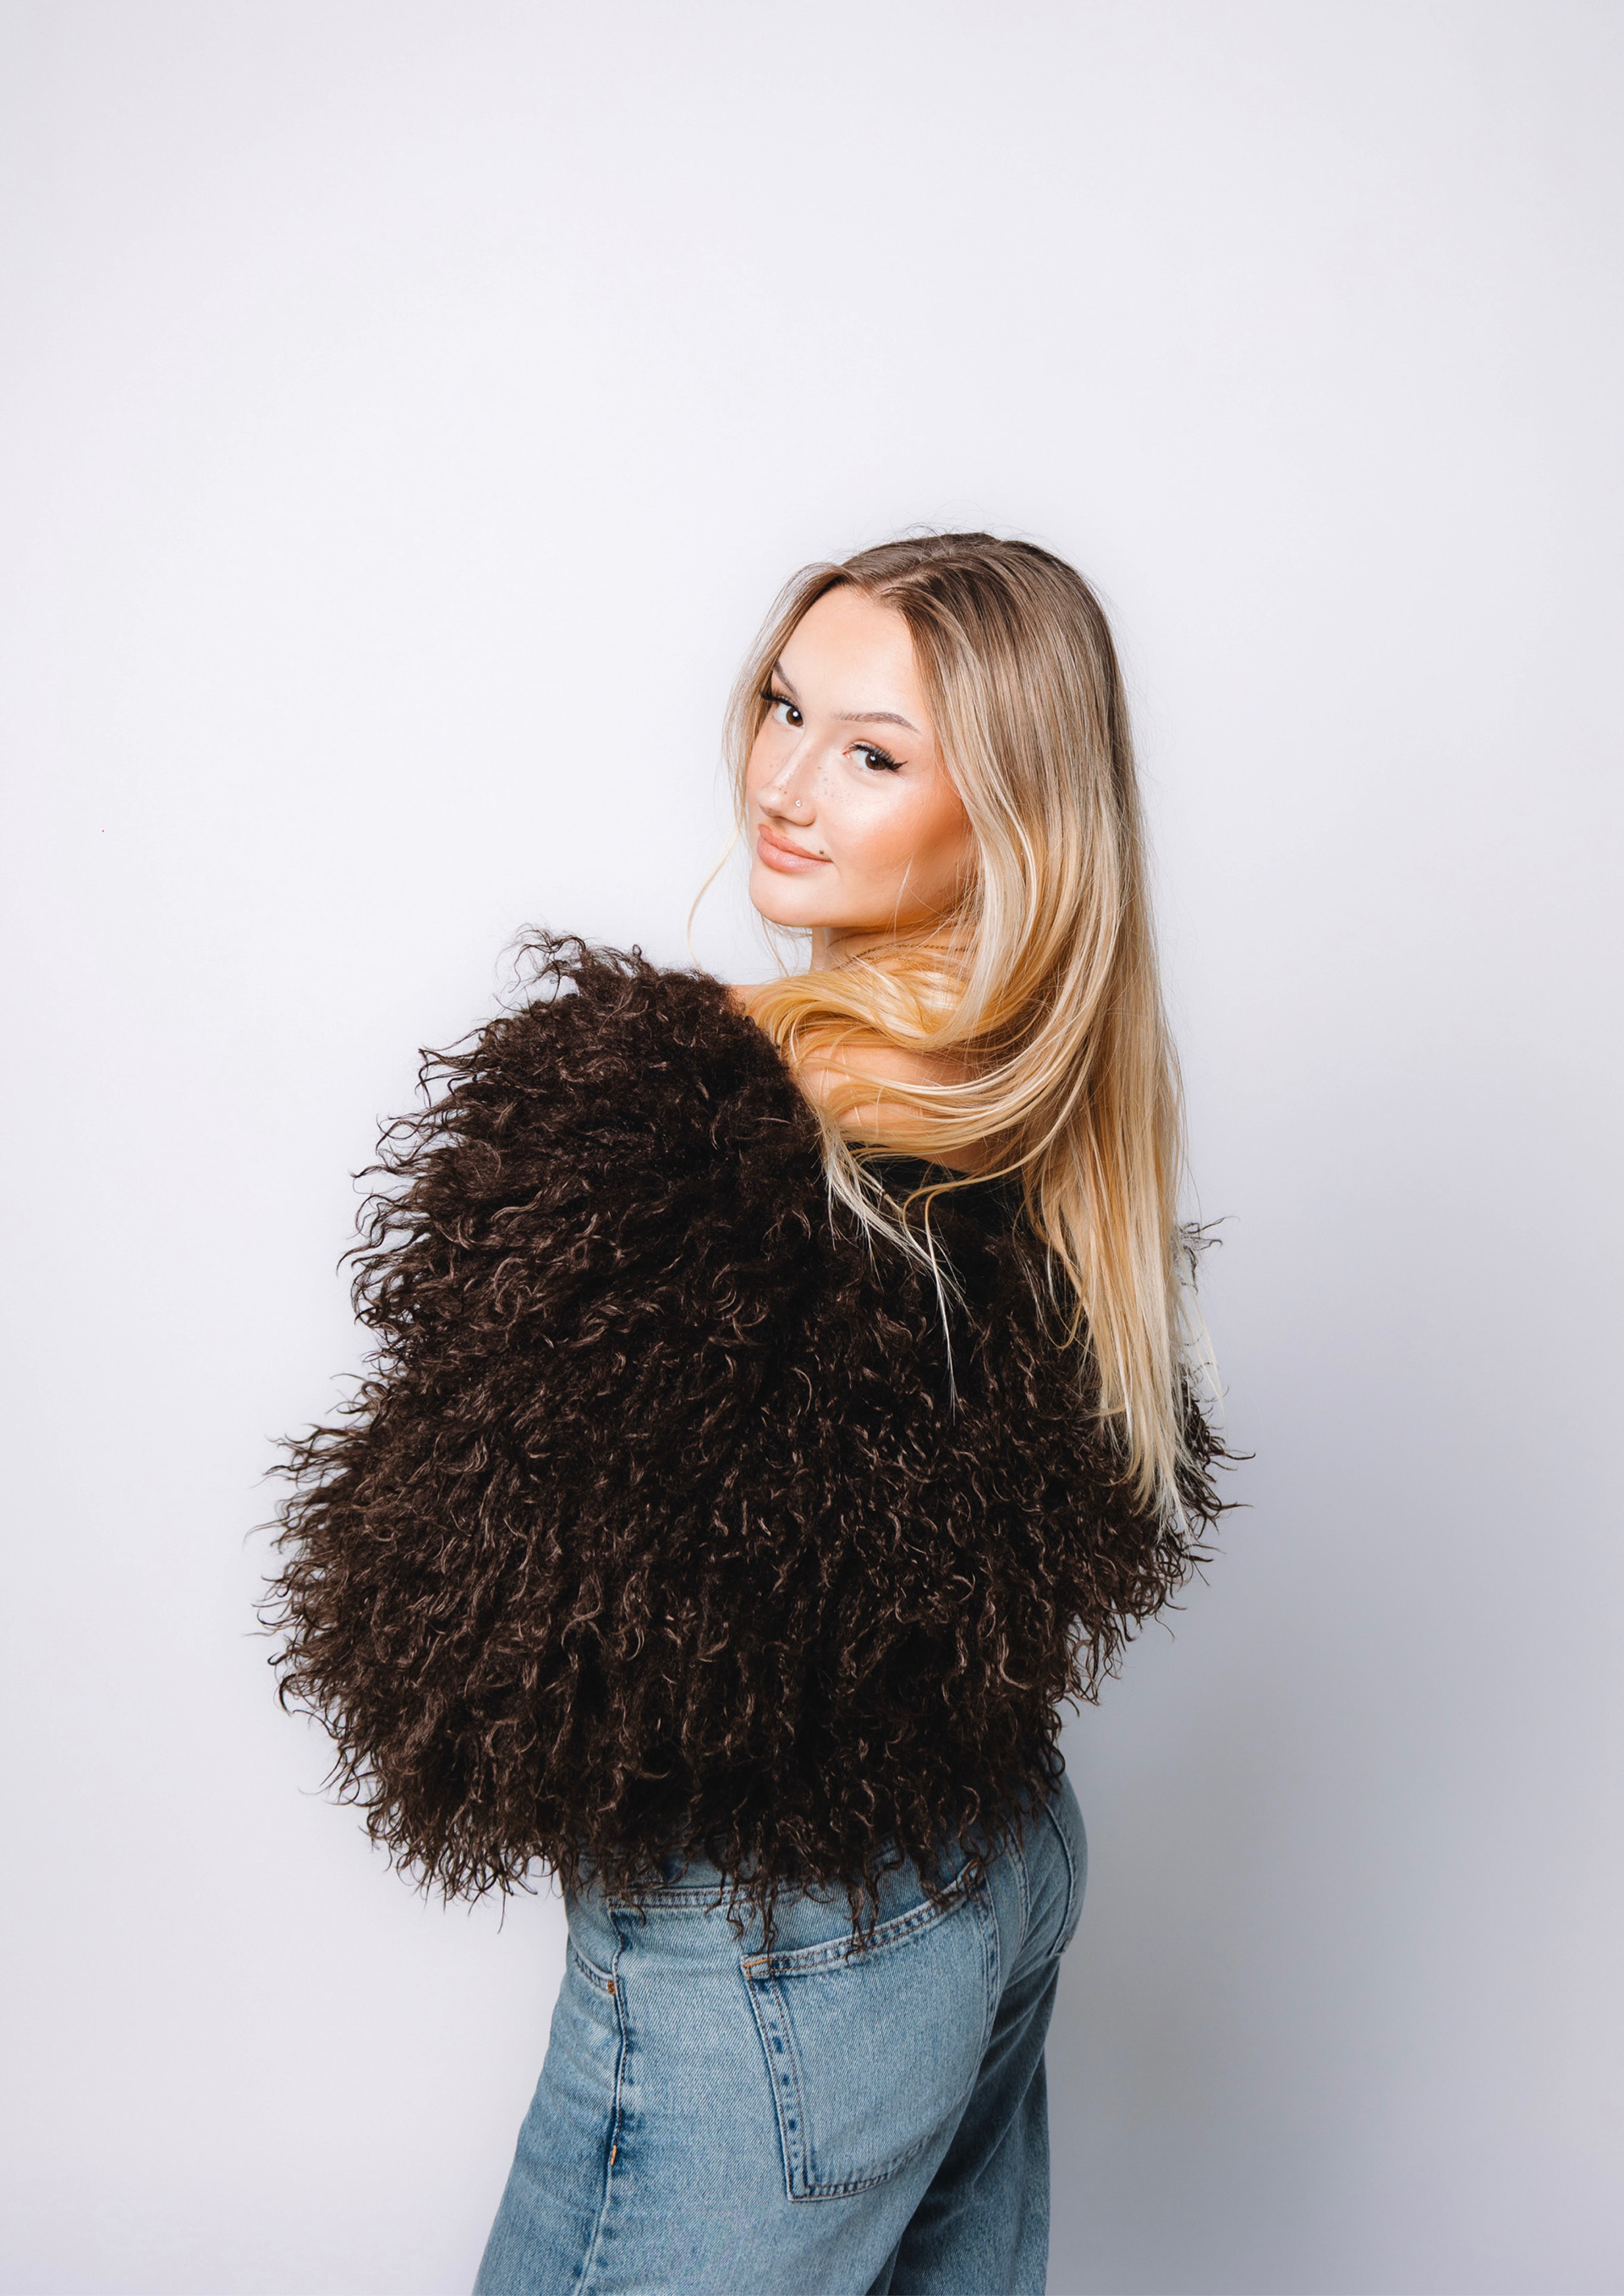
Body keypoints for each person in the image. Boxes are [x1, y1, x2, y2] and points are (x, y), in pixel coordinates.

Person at [266, 531, 1225, 2295]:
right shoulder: (1048, 1108)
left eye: (873, 754)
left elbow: (497, 1619)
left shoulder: (721, 1112)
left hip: (780, 1933)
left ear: (1012, 819)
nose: (785, 782)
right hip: (987, 1855)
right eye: (786, 709)